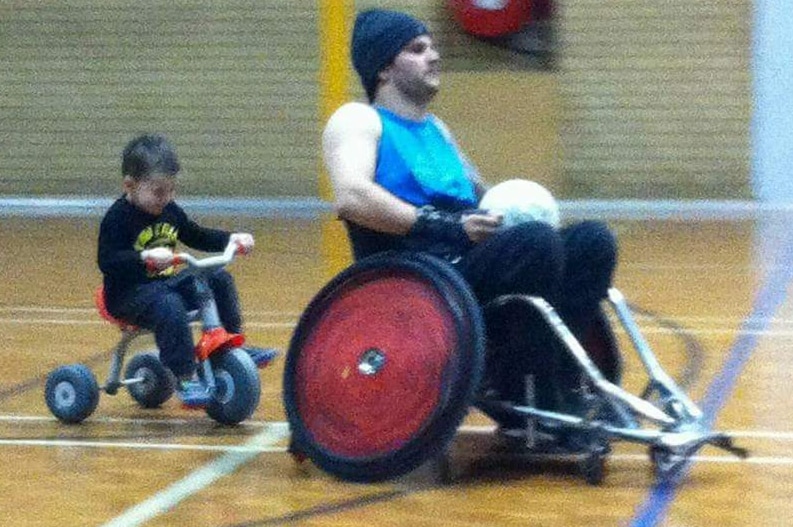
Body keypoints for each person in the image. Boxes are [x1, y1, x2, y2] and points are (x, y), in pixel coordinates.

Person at [322, 9, 618, 439]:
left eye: (433, 46)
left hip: (467, 265)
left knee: (592, 241)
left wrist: (517, 210)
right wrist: (447, 227)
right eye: (417, 49)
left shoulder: (436, 129)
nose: (434, 56)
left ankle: (552, 379)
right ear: (384, 67)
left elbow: (483, 198)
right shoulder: (358, 120)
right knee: (535, 245)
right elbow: (352, 197)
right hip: (418, 281)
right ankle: (536, 396)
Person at [97, 133, 278, 408]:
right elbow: (107, 260)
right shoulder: (117, 218)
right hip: (127, 295)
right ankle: (185, 375)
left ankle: (230, 347)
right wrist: (144, 256)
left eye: (171, 190)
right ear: (130, 186)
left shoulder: (169, 210)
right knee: (170, 305)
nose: (166, 198)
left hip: (162, 286)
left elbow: (195, 234)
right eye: (158, 191)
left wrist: (231, 239)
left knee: (217, 277)